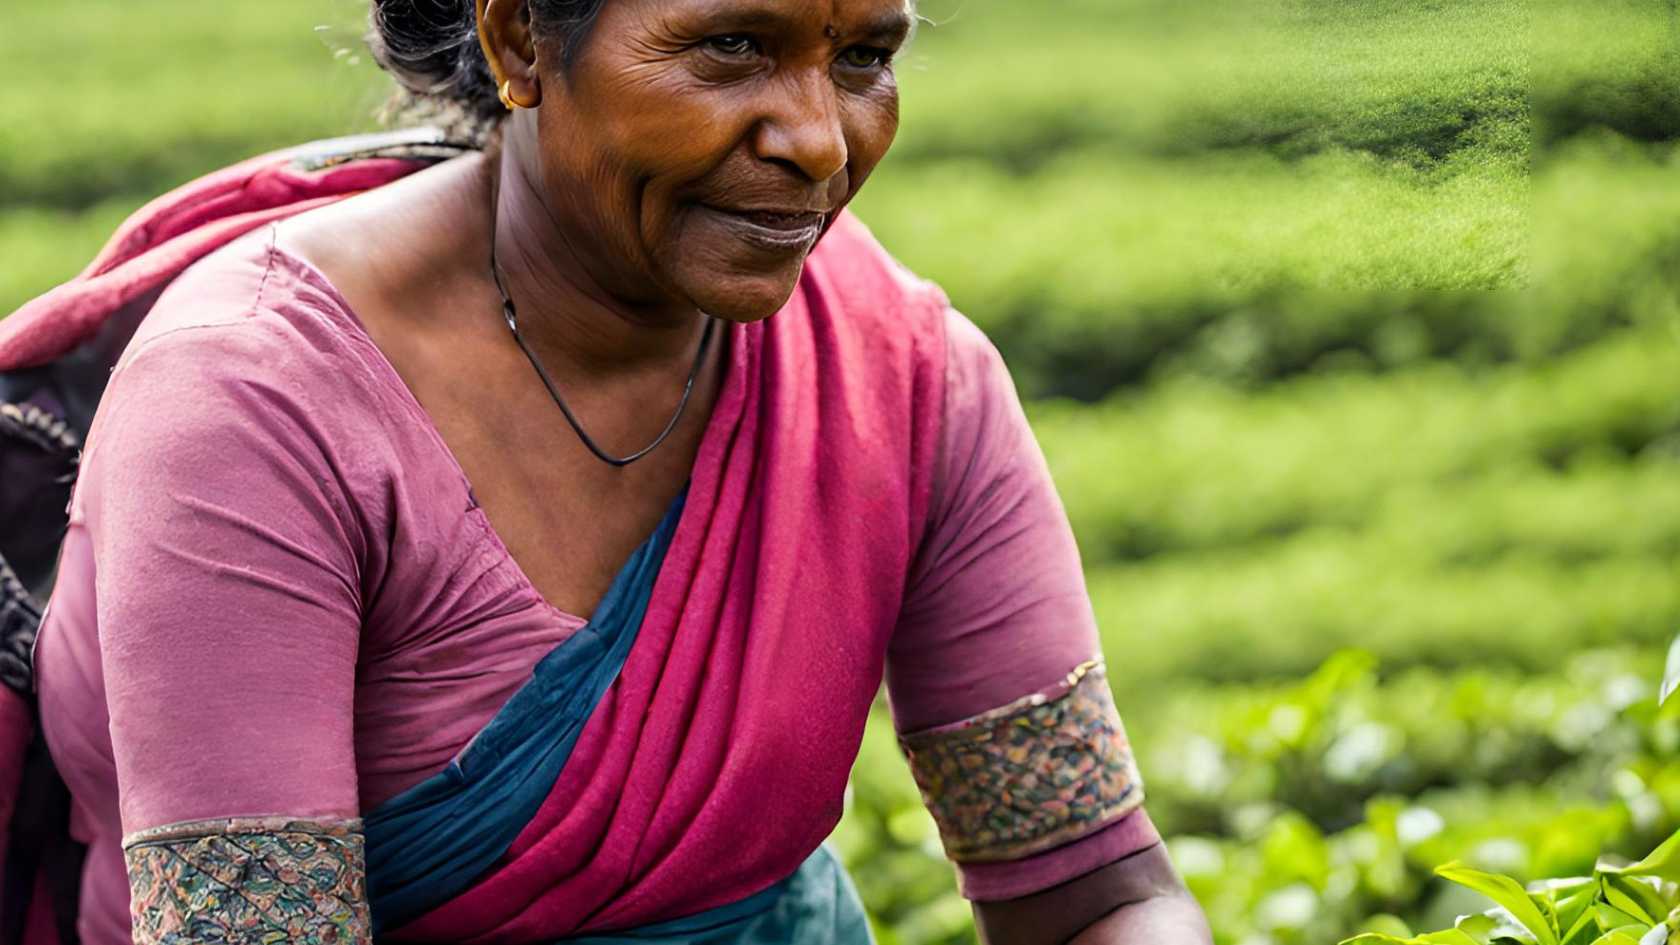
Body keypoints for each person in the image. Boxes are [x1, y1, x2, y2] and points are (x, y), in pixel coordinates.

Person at [1, 0, 1213, 942]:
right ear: (522, 36)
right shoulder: (255, 405)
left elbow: (1093, 888)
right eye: (732, 48)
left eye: (863, 58)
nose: (820, 140)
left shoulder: (896, 372)